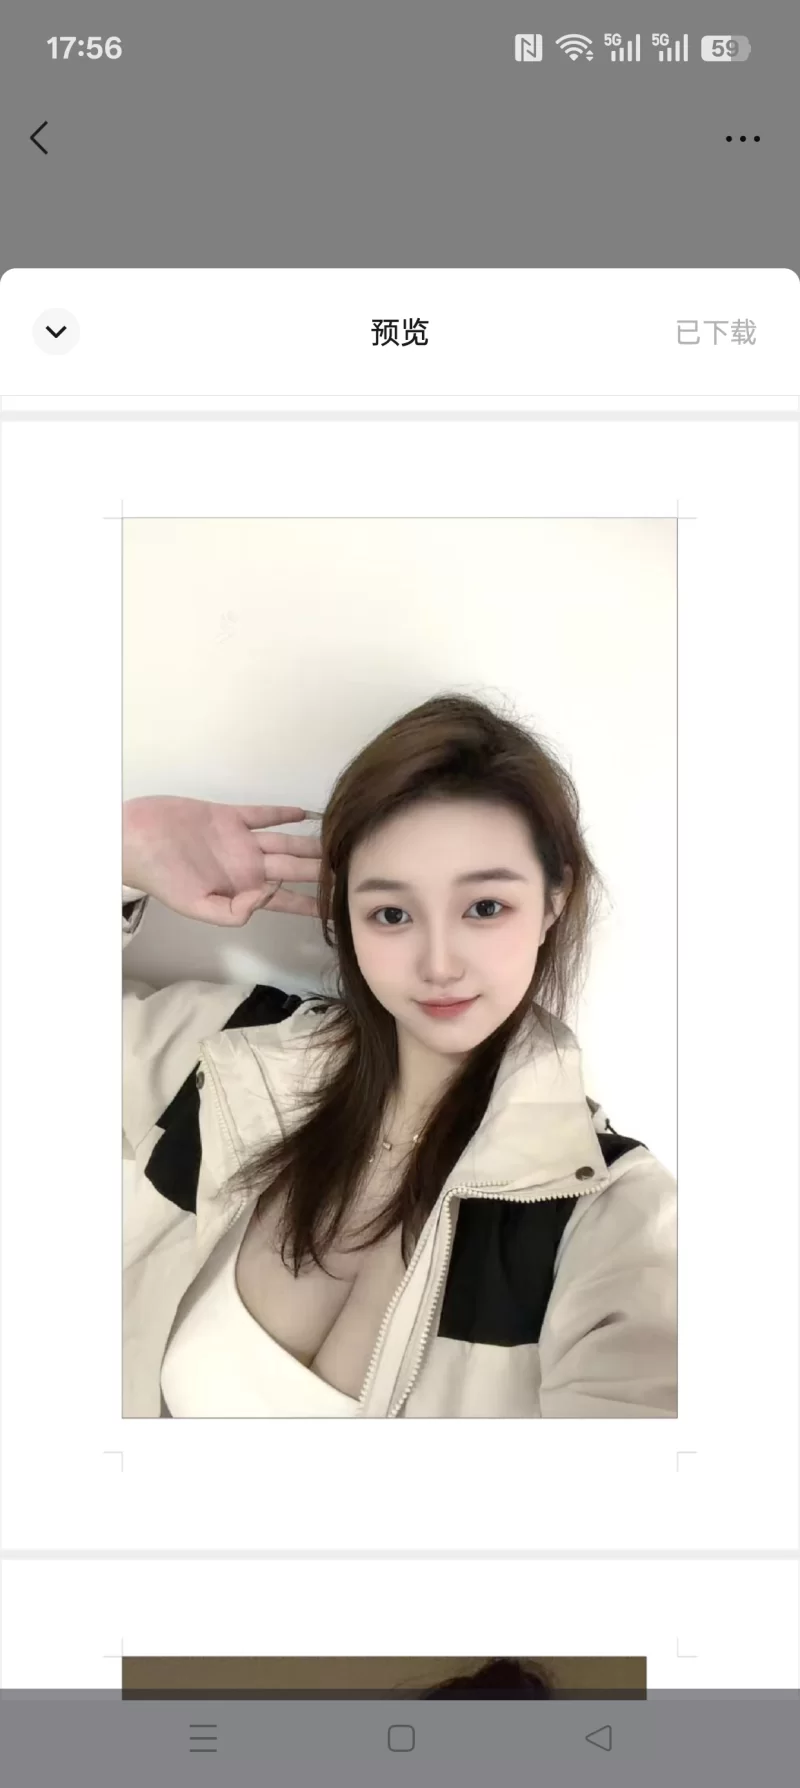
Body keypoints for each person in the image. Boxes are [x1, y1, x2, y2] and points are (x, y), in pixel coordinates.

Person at [122, 691, 677, 1418]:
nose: (438, 963)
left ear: (553, 901)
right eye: (391, 913)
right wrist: (119, 852)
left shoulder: (607, 1217)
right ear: (345, 916)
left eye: (485, 907)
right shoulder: (232, 1056)